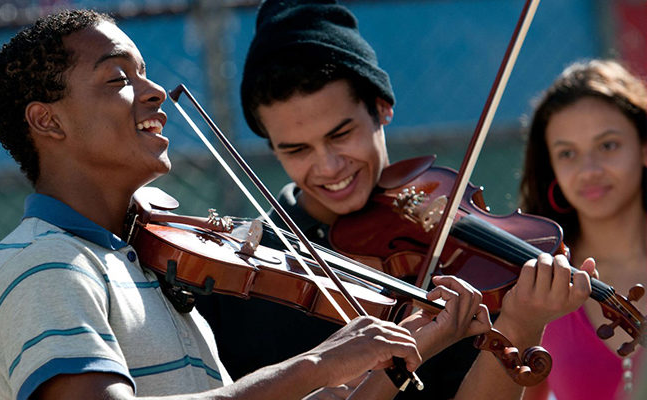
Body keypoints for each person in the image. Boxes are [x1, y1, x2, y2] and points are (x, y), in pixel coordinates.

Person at [0, 8, 495, 400]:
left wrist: (407, 346)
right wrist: (317, 363)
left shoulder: (144, 262)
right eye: (119, 79)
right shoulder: (44, 266)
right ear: (47, 121)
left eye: (145, 71)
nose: (153, 92)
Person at [196, 0, 596, 399]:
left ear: (382, 109)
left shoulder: (448, 249)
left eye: (341, 135)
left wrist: (521, 323)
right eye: (297, 150)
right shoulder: (249, 275)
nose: (329, 167)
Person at [519, 59, 647, 400]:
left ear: (644, 147)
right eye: (567, 154)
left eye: (608, 146)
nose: (588, 170)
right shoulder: (539, 282)